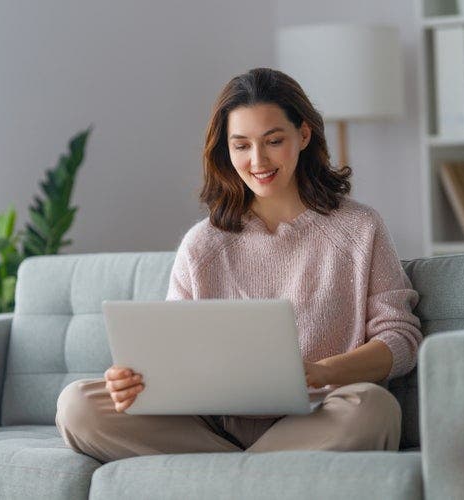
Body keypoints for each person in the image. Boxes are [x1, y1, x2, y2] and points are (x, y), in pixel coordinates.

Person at [55, 67, 422, 463]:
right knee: (79, 405)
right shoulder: (202, 244)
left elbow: (400, 339)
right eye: (241, 145)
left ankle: (224, 475)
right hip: (211, 425)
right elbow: (172, 353)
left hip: (319, 415)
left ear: (303, 135)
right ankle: (259, 474)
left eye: (273, 141)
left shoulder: (359, 228)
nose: (257, 160)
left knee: (373, 408)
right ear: (225, 151)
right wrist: (132, 381)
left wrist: (324, 371)